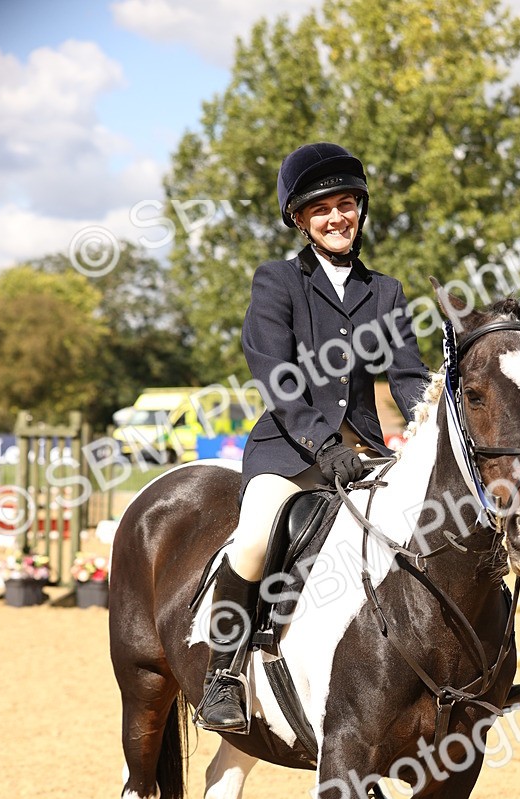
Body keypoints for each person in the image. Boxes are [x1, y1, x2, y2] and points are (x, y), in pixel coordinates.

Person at [195, 142, 430, 733]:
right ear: (300, 220)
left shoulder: (386, 292)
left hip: (365, 455)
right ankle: (223, 673)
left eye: (345, 204)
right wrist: (324, 446)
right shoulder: (277, 282)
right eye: (321, 209)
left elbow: (406, 378)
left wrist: (434, 429)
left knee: (433, 526)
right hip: (290, 450)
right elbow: (276, 374)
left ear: (360, 210)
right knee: (252, 541)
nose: (336, 218)